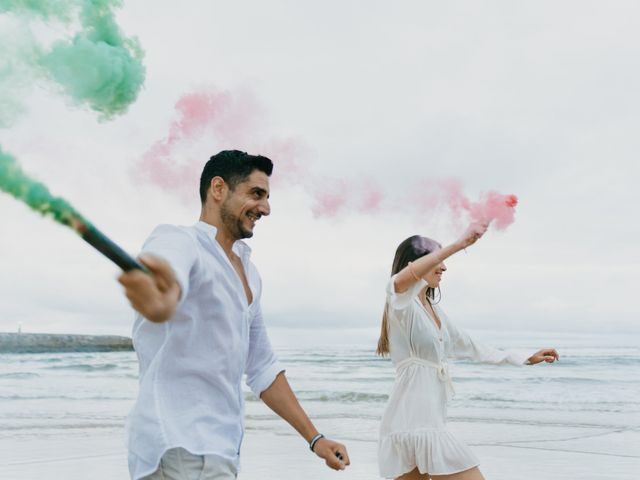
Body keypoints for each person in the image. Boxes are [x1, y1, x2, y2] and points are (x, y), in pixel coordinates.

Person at [118, 150, 350, 480]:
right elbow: (168, 276)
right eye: (256, 194)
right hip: (177, 444)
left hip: (221, 449)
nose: (266, 208)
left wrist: (315, 439)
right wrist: (161, 295)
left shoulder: (249, 273)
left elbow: (263, 367)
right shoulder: (178, 240)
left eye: (267, 197)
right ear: (218, 189)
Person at [376, 223, 559, 480]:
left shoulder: (436, 313)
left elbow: (473, 347)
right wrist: (458, 245)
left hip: (429, 423)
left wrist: (525, 357)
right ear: (414, 265)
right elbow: (398, 282)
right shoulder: (400, 304)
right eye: (435, 259)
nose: (444, 266)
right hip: (407, 424)